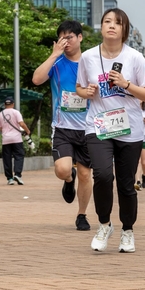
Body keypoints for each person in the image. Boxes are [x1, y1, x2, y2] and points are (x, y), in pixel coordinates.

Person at [76, 8, 145, 253]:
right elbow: (79, 87)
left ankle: (127, 231)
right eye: (107, 21)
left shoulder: (136, 58)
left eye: (117, 23)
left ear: (124, 30)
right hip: (98, 126)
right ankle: (104, 224)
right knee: (102, 175)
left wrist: (126, 84)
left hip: (130, 129)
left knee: (125, 184)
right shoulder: (87, 57)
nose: (112, 25)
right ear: (101, 27)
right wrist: (86, 92)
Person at [32, 19, 93, 231]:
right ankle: (68, 180)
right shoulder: (56, 63)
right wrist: (53, 55)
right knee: (62, 169)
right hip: (62, 127)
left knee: (86, 174)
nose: (66, 42)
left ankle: (82, 215)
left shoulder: (91, 63)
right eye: (61, 38)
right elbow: (36, 79)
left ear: (80, 37)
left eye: (70, 37)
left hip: (88, 128)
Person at [0, 97, 31, 185]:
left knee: (7, 159)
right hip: (16, 139)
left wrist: (6, 131)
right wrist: (27, 130)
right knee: (19, 156)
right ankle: (17, 174)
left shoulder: (0, 114)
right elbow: (21, 123)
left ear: (5, 105)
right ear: (13, 104)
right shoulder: (16, 112)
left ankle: (10, 178)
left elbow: (0, 128)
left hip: (6, 140)